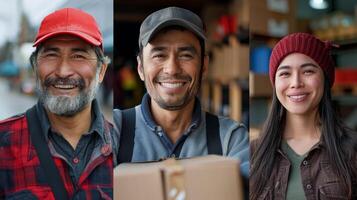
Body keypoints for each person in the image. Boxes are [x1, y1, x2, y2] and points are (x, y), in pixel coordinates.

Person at [113, 6, 249, 178]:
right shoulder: (113, 133)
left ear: (204, 66)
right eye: (159, 55)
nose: (172, 69)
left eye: (186, 55)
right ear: (140, 67)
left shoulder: (231, 139)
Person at [0, 8, 115, 199]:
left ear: (101, 70)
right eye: (51, 55)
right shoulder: (4, 144)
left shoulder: (125, 147)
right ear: (35, 67)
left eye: (79, 56)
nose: (63, 71)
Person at [250, 33, 357, 200]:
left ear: (324, 79)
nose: (296, 83)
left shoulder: (351, 149)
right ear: (275, 83)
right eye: (285, 73)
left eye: (307, 71)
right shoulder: (253, 154)